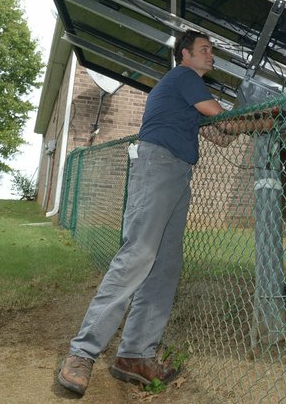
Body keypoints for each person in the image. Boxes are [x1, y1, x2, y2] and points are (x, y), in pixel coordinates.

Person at [57, 30, 274, 396]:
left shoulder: (188, 95)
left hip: (176, 172)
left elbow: (220, 135)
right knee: (137, 256)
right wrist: (260, 118)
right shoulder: (184, 78)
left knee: (165, 266)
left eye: (213, 50)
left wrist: (251, 123)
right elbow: (223, 122)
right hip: (158, 166)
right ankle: (82, 353)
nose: (212, 56)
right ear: (185, 54)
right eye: (206, 49)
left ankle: (135, 355)